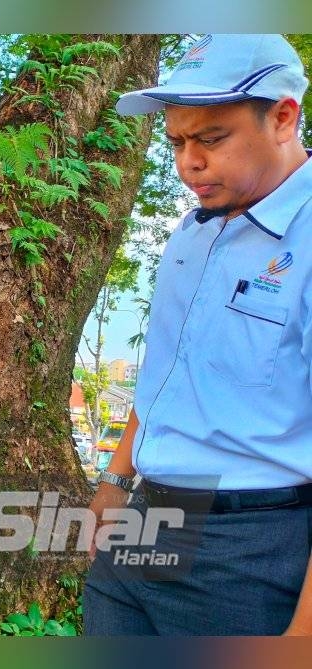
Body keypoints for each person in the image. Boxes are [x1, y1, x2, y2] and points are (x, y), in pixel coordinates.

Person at [84, 34, 312, 636]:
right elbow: (167, 370)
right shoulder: (193, 232)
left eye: (210, 139)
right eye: (177, 143)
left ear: (283, 117)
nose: (189, 163)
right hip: (145, 517)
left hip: (249, 547)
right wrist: (116, 479)